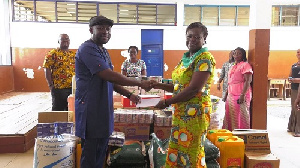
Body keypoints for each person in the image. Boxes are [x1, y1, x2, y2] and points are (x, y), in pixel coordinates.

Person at [75, 16, 151, 167]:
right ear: (91, 30)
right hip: (91, 109)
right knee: (91, 154)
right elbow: (107, 74)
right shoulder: (87, 49)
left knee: (101, 150)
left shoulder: (103, 51)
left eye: (108, 29)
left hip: (103, 110)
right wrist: (139, 82)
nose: (105, 32)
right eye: (101, 28)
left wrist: (130, 95)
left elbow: (110, 80)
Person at [151, 22, 215, 168]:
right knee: (178, 150)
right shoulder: (186, 58)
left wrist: (167, 102)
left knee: (192, 151)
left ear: (204, 38)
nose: (192, 39)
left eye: (197, 37)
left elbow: (193, 89)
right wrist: (157, 85)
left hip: (195, 114)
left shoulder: (204, 58)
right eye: (189, 36)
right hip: (181, 113)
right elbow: (179, 87)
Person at [222, 47, 253, 131]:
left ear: (243, 55)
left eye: (239, 53)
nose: (236, 55)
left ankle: (241, 135)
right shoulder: (233, 66)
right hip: (231, 94)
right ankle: (231, 134)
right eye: (235, 53)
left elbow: (248, 80)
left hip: (241, 94)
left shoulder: (245, 65)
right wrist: (226, 95)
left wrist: (242, 95)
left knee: (240, 115)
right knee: (229, 115)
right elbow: (229, 81)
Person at [43, 34, 75, 111]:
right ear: (58, 41)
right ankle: (56, 123)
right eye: (62, 39)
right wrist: (50, 85)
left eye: (67, 39)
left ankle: (69, 123)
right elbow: (46, 68)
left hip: (72, 88)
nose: (65, 41)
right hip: (58, 88)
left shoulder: (73, 55)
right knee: (58, 110)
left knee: (70, 110)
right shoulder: (53, 53)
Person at [289, 49, 300, 137]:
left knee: (299, 108)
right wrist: (291, 79)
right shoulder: (294, 65)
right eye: (298, 52)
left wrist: (297, 80)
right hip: (294, 88)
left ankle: (298, 130)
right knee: (294, 107)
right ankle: (292, 127)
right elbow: (290, 76)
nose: (299, 53)